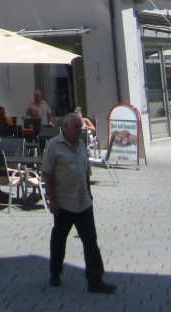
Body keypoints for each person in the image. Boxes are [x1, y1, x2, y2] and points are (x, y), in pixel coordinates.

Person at [41, 112, 116, 294]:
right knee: (59, 240)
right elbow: (47, 175)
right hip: (64, 202)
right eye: (76, 128)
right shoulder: (53, 146)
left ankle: (95, 279)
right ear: (65, 128)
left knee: (90, 240)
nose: (79, 131)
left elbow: (85, 172)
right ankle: (55, 272)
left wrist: (89, 194)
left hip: (83, 202)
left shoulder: (81, 145)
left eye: (80, 127)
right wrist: (53, 201)